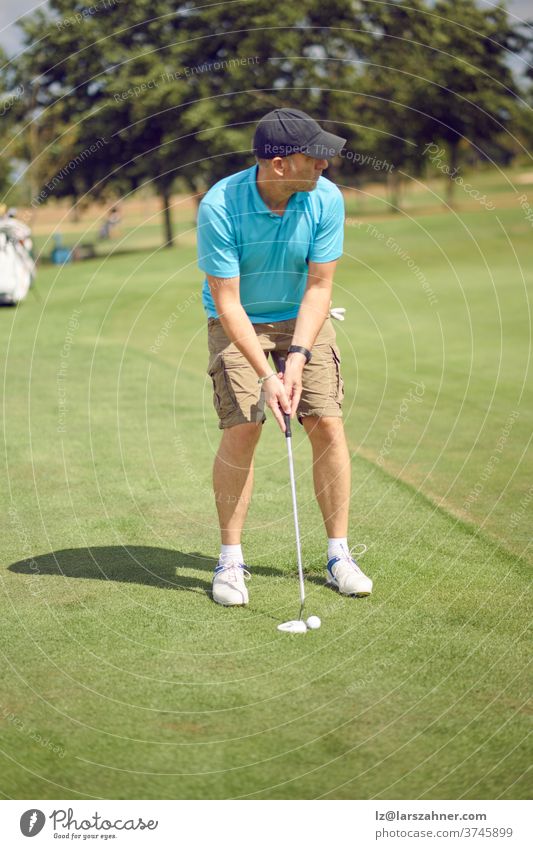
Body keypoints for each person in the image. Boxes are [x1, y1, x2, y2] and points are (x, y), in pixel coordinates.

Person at [197, 108, 373, 606]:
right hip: (238, 322)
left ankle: (338, 555)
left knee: (327, 422)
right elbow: (228, 303)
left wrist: (294, 361)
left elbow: (320, 286)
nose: (325, 165)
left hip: (303, 317)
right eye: (314, 156)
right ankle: (230, 560)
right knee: (244, 426)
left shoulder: (325, 199)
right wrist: (266, 377)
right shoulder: (220, 207)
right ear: (278, 164)